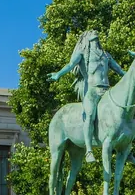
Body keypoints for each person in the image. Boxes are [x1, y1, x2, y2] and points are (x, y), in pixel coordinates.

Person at [48, 30, 126, 163]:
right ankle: (89, 150)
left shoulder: (106, 55)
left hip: (107, 91)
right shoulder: (82, 54)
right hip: (92, 91)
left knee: (123, 112)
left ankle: (125, 147)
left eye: (95, 33)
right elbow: (70, 65)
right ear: (86, 39)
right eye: (91, 33)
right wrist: (58, 74)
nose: (94, 33)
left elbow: (120, 70)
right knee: (89, 115)